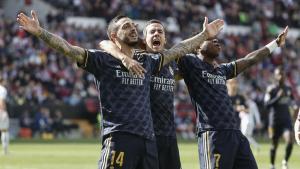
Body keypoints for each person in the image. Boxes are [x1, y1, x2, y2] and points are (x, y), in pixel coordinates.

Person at [17, 10, 223, 169]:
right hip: (119, 138)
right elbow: (69, 49)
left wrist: (204, 34)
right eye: (127, 26)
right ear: (115, 36)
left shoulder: (148, 62)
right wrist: (39, 32)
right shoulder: (103, 60)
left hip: (148, 142)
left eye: (133, 25)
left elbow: (179, 49)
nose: (133, 28)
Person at [175, 28, 288, 169]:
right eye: (210, 40)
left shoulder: (222, 70)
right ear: (197, 46)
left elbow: (250, 59)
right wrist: (203, 35)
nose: (216, 41)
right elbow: (176, 51)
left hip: (235, 134)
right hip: (213, 133)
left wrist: (275, 43)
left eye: (216, 39)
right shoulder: (191, 63)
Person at [100, 19, 182, 169]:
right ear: (144, 40)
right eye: (152, 32)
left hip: (169, 135)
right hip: (147, 135)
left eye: (160, 32)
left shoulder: (172, 65)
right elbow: (105, 43)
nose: (156, 34)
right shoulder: (139, 58)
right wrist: (124, 58)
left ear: (165, 39)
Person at [264, 66, 296, 169]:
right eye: (279, 74)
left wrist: (294, 106)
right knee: (274, 145)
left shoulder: (288, 89)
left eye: (282, 74)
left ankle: (284, 162)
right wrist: (278, 97)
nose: (281, 76)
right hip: (274, 122)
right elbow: (266, 105)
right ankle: (272, 165)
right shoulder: (271, 89)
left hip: (286, 120)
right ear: (275, 76)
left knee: (290, 140)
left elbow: (292, 100)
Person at [227, 78, 261, 151]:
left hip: (238, 125)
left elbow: (248, 110)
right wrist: (236, 108)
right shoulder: (225, 97)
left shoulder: (241, 97)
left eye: (235, 83)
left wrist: (243, 109)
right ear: (227, 84)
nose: (233, 85)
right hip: (227, 126)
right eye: (231, 83)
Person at [0, 77, 9, 155]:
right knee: (4, 130)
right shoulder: (3, 90)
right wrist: (3, 111)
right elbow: (2, 100)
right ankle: (5, 150)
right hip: (1, 111)